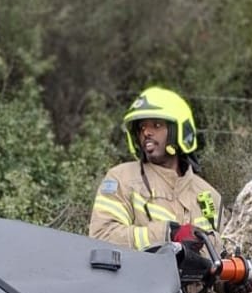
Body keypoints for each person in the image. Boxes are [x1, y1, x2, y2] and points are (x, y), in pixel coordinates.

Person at [89, 86, 223, 251]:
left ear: (179, 131)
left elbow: (226, 252)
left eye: (156, 125)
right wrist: (168, 233)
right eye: (142, 128)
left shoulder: (209, 195)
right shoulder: (121, 179)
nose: (147, 132)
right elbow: (102, 236)